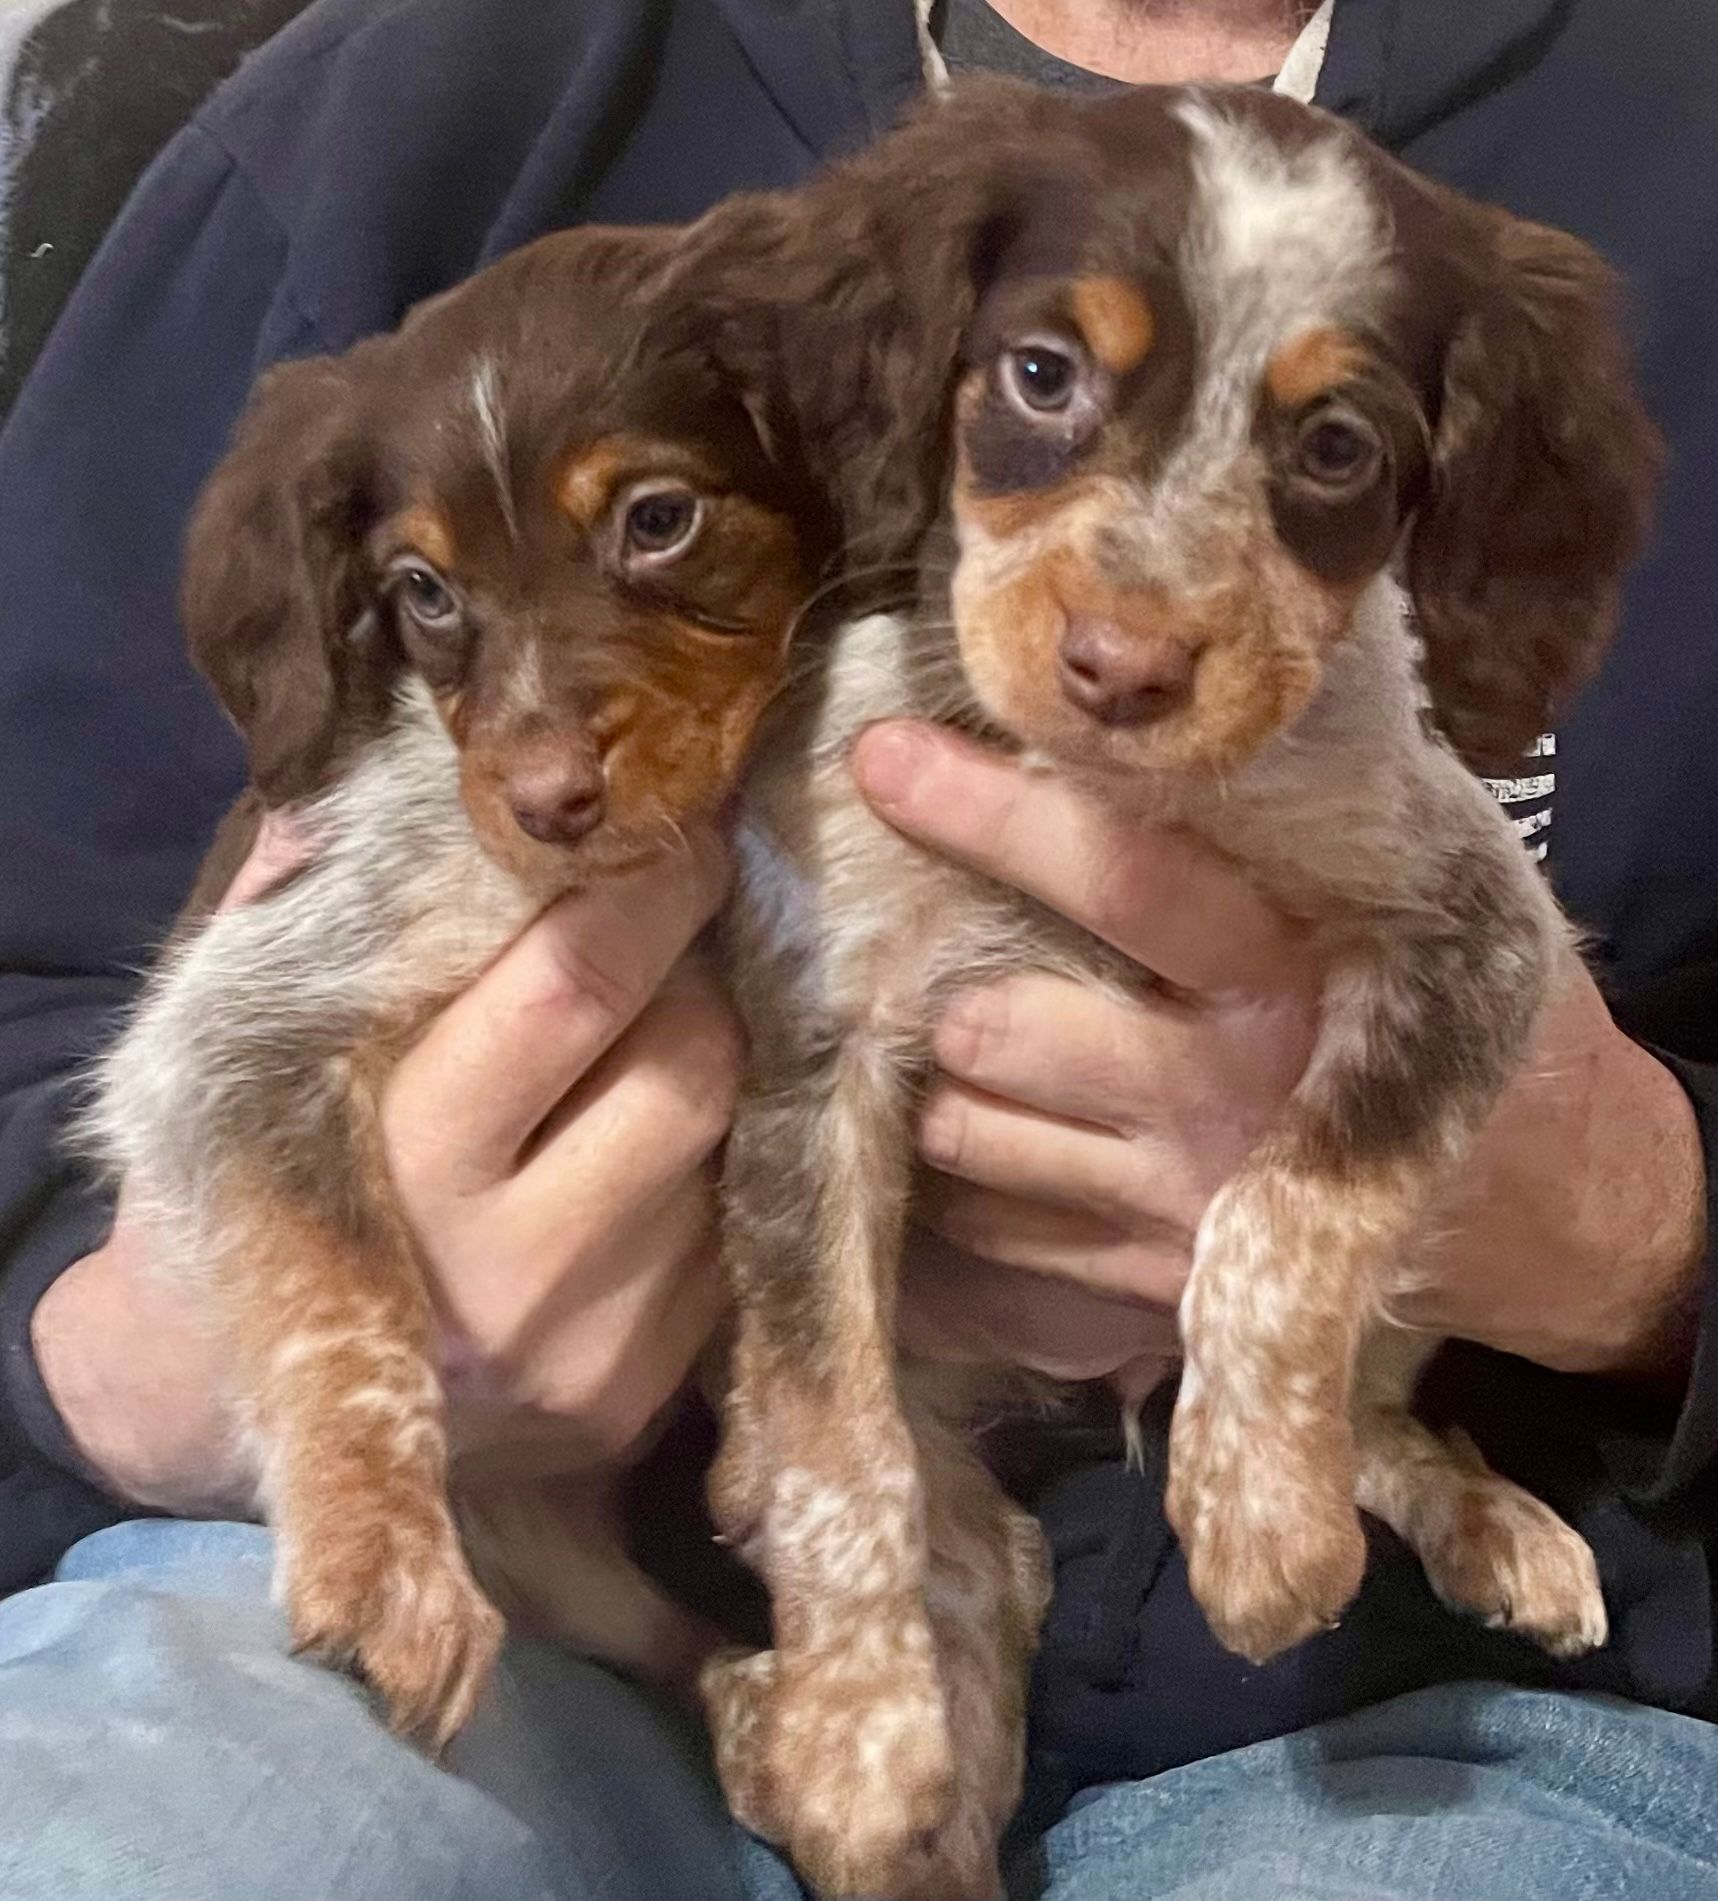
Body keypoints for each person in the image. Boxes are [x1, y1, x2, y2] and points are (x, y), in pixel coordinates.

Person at [2, 1, 1717, 1896]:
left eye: (1327, 446)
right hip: (493, 1617)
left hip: (1435, 1694)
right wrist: (128, 1356)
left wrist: (1649, 1245)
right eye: (1041, 378)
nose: (1131, 626)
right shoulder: (399, 109)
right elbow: (56, 947)